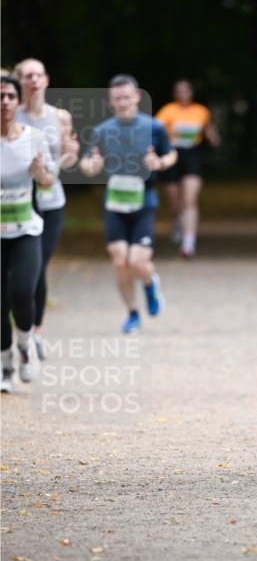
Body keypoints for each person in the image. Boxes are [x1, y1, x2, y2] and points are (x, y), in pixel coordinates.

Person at [79, 74, 176, 333]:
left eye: (127, 96)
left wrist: (160, 163)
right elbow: (87, 162)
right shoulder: (102, 131)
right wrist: (92, 166)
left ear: (136, 97)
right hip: (115, 202)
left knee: (137, 262)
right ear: (111, 102)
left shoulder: (154, 127)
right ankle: (132, 313)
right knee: (120, 261)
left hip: (144, 200)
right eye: (117, 98)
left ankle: (150, 283)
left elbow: (170, 154)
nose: (123, 102)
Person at [15, 57, 79, 360]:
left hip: (52, 202)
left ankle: (36, 331)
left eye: (38, 75)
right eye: (28, 76)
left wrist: (67, 158)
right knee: (21, 273)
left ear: (47, 80)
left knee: (38, 267)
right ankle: (24, 329)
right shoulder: (10, 115)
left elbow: (69, 157)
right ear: (19, 81)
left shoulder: (60, 117)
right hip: (18, 203)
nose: (34, 81)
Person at [1, 75, 54, 392]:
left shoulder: (34, 137)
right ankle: (5, 366)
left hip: (25, 230)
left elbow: (48, 181)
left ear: (17, 102)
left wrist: (40, 173)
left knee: (22, 293)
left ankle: (25, 344)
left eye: (9, 95)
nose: (4, 101)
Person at [155, 80, 221, 258]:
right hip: (172, 156)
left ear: (191, 92)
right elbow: (156, 130)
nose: (183, 93)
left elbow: (208, 129)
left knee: (190, 200)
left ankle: (188, 242)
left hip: (192, 156)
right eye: (179, 91)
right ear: (175, 93)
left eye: (186, 90)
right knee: (175, 201)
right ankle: (177, 220)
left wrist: (214, 139)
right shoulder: (168, 110)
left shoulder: (201, 111)